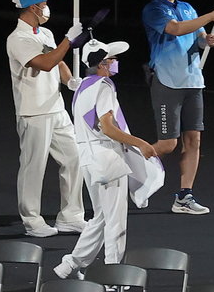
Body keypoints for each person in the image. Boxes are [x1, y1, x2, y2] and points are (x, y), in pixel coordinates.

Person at [55, 39, 158, 279]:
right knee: (115, 220)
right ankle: (113, 275)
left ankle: (70, 263)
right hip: (105, 157)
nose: (115, 63)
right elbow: (108, 128)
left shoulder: (82, 87)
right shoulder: (104, 86)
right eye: (112, 59)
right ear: (102, 64)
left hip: (89, 158)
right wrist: (141, 143)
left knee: (101, 216)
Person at [142, 0, 214, 214]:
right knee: (168, 144)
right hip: (168, 82)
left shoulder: (188, 7)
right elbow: (176, 29)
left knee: (193, 141)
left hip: (192, 81)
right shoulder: (153, 10)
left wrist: (207, 41)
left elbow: (198, 39)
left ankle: (184, 196)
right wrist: (210, 16)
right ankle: (125, 171)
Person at [6, 0, 88, 238]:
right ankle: (32, 221)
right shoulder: (17, 38)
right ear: (33, 6)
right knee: (34, 167)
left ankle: (71, 216)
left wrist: (70, 80)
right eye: (44, 3)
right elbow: (44, 63)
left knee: (75, 158)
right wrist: (69, 40)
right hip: (33, 112)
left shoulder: (46, 34)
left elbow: (58, 61)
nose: (46, 7)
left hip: (56, 108)